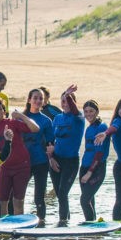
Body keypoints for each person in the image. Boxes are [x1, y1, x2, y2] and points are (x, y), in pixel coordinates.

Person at [0, 99, 39, 215]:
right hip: (4, 168)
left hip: (21, 167)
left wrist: (20, 115)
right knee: (1, 202)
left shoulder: (12, 123)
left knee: (18, 202)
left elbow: (35, 128)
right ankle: (4, 229)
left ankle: (19, 230)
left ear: (4, 111)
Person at [95, 97, 121, 220]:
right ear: (118, 109)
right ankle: (116, 224)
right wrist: (105, 133)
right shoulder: (118, 122)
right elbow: (113, 128)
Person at [49, 85, 85, 224]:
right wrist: (51, 158)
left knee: (63, 192)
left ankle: (62, 222)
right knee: (59, 194)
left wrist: (69, 96)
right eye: (63, 100)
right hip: (56, 160)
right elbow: (50, 142)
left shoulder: (79, 117)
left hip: (71, 161)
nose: (65, 103)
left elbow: (74, 110)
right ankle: (66, 220)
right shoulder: (57, 118)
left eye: (68, 100)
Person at [20, 89, 54, 220]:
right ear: (29, 100)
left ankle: (41, 223)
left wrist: (52, 152)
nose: (38, 101)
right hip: (24, 162)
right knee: (18, 195)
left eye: (41, 98)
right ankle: (17, 221)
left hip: (41, 162)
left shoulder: (46, 121)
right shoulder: (21, 118)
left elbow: (50, 143)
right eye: (35, 98)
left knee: (39, 197)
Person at [79, 100, 109, 222]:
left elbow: (99, 153)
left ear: (97, 112)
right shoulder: (89, 128)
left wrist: (90, 172)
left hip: (96, 169)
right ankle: (93, 232)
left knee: (84, 200)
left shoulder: (102, 127)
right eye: (86, 111)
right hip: (84, 167)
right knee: (90, 200)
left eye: (91, 111)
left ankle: (90, 226)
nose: (88, 114)